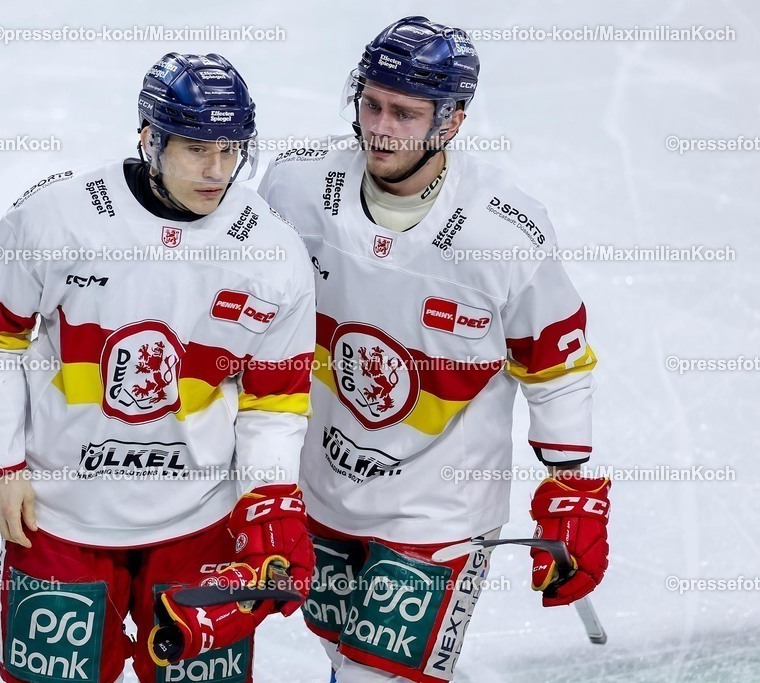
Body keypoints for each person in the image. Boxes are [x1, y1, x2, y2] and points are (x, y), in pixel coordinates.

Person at [259, 17, 610, 682]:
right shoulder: (294, 189)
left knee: (374, 676)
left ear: (450, 123)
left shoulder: (503, 231)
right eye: (370, 103)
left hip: (440, 508)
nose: (380, 127)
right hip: (322, 490)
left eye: (404, 113)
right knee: (342, 655)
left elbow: (555, 365)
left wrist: (573, 486)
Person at [0, 52, 316, 683]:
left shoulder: (273, 251)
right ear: (149, 137)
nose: (217, 171)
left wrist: (269, 499)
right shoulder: (56, 219)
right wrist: (1, 467)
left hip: (200, 518)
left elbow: (274, 399)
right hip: (58, 514)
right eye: (197, 148)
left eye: (233, 150)